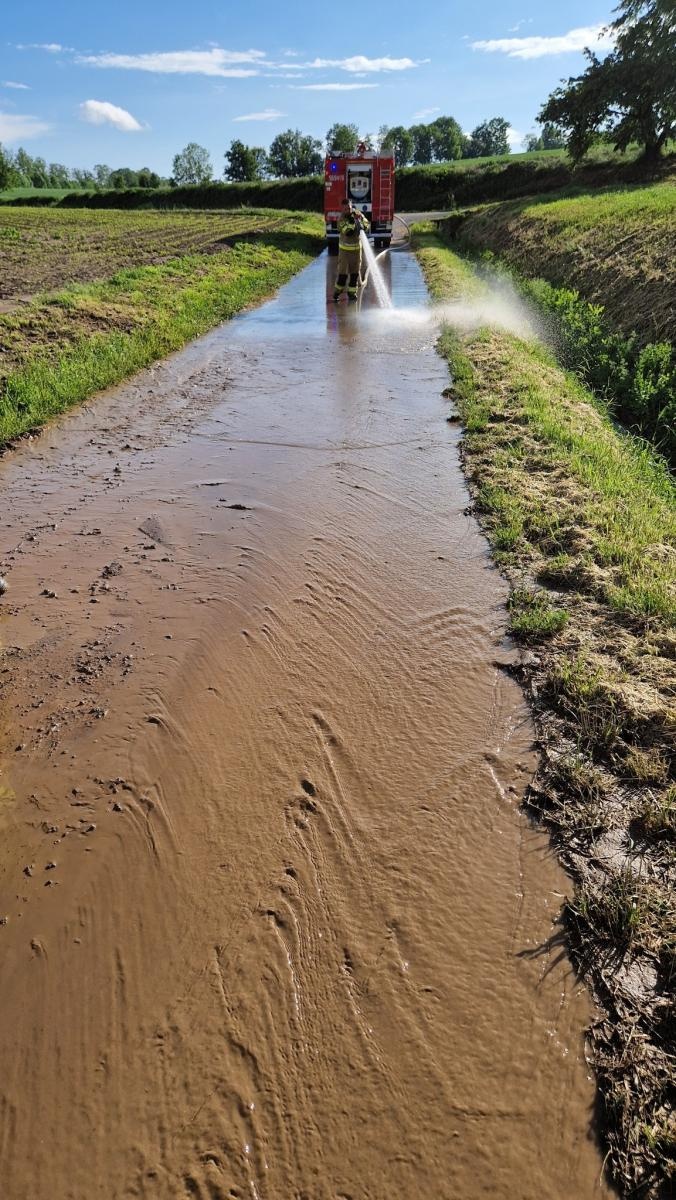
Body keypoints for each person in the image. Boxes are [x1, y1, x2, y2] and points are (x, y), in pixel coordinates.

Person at [333, 199, 369, 301]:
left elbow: (366, 223)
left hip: (357, 250)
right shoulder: (341, 219)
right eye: (345, 209)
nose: (347, 210)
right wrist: (354, 221)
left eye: (348, 208)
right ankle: (337, 292)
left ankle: (352, 293)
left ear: (351, 206)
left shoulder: (357, 214)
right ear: (342, 209)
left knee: (355, 274)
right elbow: (347, 231)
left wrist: (362, 223)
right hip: (345, 251)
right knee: (342, 274)